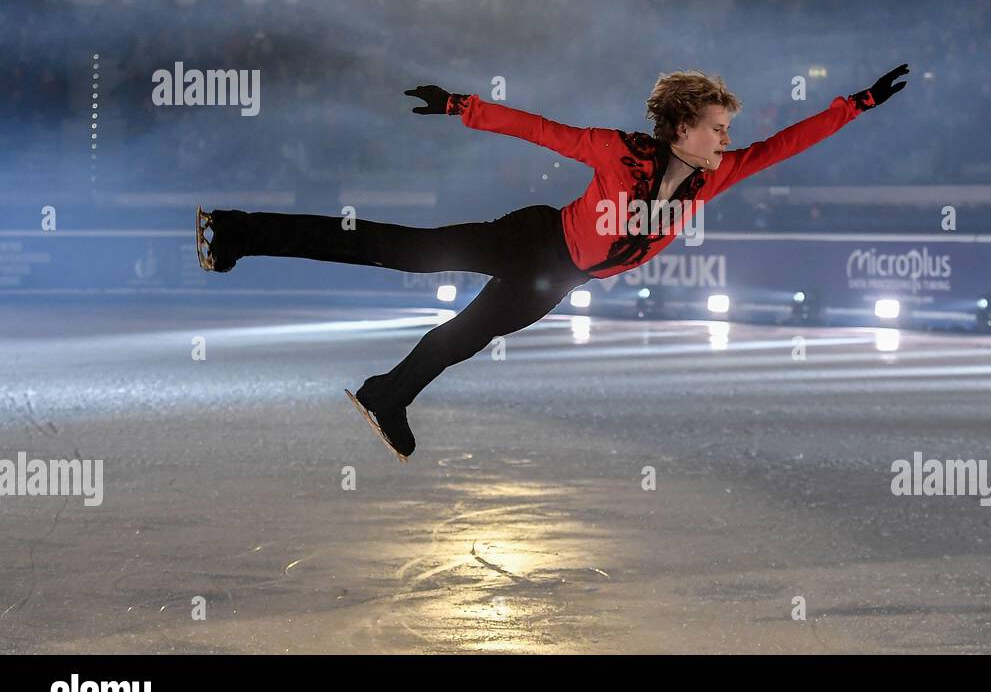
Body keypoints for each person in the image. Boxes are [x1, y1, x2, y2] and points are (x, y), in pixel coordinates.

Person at [196, 64, 909, 460]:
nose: (727, 141)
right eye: (718, 128)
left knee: (463, 339)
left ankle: (387, 394)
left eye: (727, 131)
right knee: (397, 250)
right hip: (531, 241)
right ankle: (234, 232)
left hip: (560, 280)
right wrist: (459, 105)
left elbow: (784, 145)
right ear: (682, 126)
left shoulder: (713, 174)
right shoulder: (617, 149)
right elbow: (540, 129)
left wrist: (858, 103)